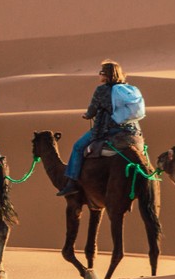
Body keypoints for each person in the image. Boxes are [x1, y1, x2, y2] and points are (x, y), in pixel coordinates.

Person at [59, 61, 139, 196]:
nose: (99, 75)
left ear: (107, 75)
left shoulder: (102, 90)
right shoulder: (128, 90)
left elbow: (92, 111)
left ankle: (71, 182)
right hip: (131, 130)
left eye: (101, 72)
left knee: (78, 147)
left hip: (108, 130)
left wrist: (87, 115)